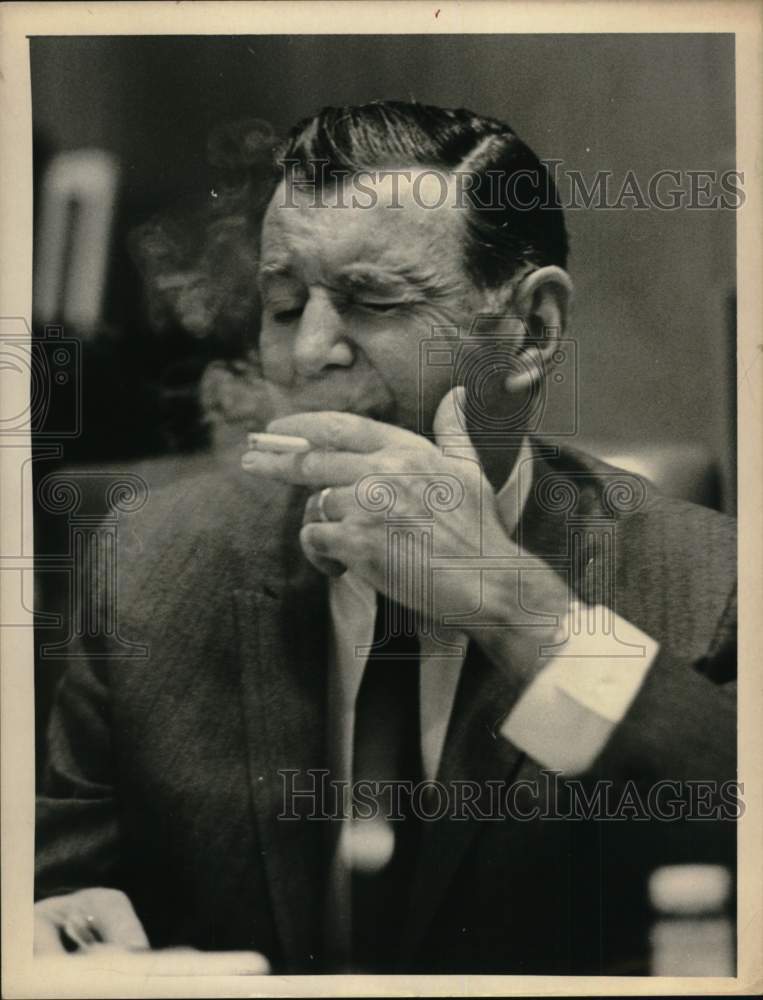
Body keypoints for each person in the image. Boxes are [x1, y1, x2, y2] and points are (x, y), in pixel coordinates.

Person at [35, 102, 737, 975]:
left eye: (373, 301)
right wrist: (53, 930)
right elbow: (52, 889)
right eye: (285, 304)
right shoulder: (152, 563)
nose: (308, 355)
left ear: (531, 332)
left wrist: (515, 606)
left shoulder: (709, 581)